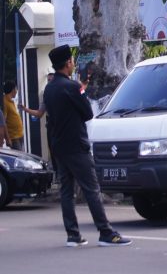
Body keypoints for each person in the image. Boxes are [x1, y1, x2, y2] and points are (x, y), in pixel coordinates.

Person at [43, 44, 131, 247]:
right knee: (91, 189)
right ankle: (106, 232)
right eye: (72, 61)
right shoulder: (72, 87)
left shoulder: (50, 88)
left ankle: (73, 235)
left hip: (59, 146)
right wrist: (81, 89)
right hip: (76, 146)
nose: (73, 64)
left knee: (66, 191)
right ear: (67, 63)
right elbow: (88, 113)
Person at [3, 81, 24, 150]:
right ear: (13, 90)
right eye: (16, 89)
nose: (16, 91)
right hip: (13, 137)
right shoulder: (5, 102)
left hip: (19, 135)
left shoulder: (10, 101)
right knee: (19, 158)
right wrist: (8, 138)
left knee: (22, 156)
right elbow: (3, 122)